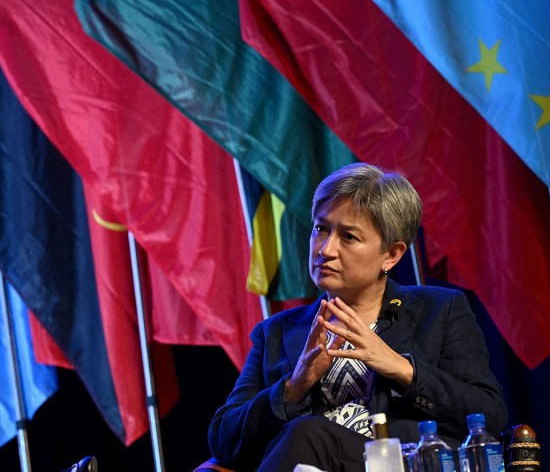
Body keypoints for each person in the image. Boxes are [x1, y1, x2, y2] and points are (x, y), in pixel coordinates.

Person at [208, 163, 506, 471]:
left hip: (400, 464)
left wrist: (403, 370)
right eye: (321, 228)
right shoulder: (277, 332)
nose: (326, 249)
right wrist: (293, 387)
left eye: (348, 237)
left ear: (390, 254)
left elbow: (489, 415)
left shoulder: (439, 311)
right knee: (306, 434)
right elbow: (224, 440)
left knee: (309, 433)